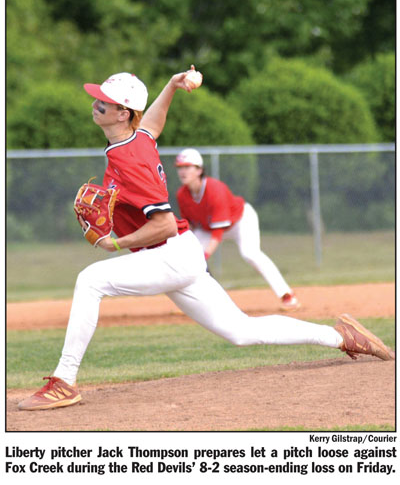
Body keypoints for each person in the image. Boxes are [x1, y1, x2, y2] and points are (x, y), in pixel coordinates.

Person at [18, 66, 394, 411]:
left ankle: (64, 381)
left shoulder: (130, 158)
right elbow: (153, 123)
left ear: (122, 114)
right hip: (179, 255)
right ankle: (340, 337)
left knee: (90, 280)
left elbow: (164, 224)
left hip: (169, 253)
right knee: (241, 331)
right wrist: (170, 86)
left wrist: (113, 244)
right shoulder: (135, 140)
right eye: (98, 97)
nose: (96, 103)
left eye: (106, 101)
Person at [175, 148, 299, 311]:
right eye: (180, 167)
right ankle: (193, 304)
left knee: (250, 253)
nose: (182, 171)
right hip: (208, 228)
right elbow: (189, 224)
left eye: (187, 167)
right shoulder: (182, 195)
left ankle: (287, 295)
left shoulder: (214, 189)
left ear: (199, 170)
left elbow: (218, 233)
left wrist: (203, 256)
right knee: (186, 256)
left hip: (241, 220)